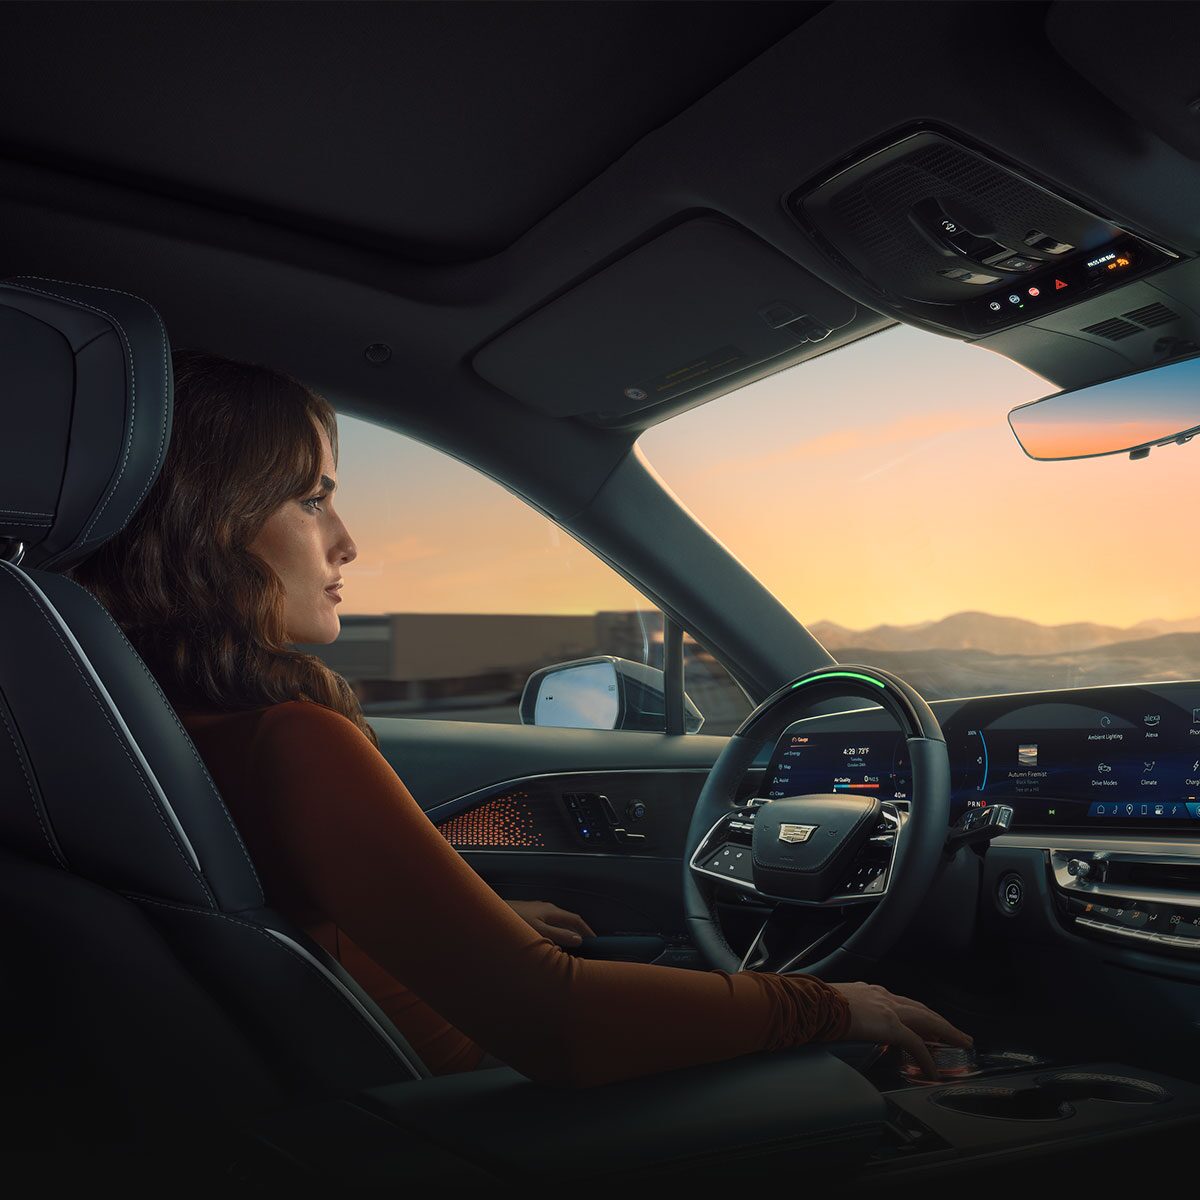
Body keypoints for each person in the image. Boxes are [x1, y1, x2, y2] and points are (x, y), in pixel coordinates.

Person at [68, 348, 974, 1088]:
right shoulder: (285, 735)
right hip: (478, 1117)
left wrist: (481, 928)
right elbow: (561, 1023)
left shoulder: (119, 716)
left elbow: (300, 923)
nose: (347, 542)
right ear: (208, 523)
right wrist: (832, 1006)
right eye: (312, 499)